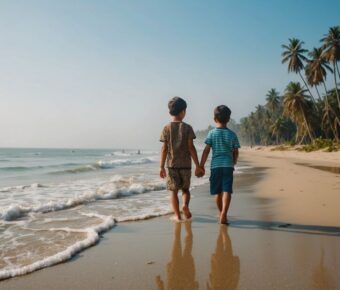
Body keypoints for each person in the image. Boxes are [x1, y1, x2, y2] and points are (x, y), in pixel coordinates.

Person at [159, 97, 203, 221]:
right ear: (183, 111)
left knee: (173, 191)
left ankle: (178, 215)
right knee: (185, 190)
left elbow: (164, 149)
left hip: (172, 166)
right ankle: (185, 205)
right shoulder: (187, 128)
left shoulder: (166, 128)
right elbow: (191, 148)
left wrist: (161, 166)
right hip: (186, 165)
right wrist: (198, 165)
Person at [200, 105, 240, 224]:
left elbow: (206, 150)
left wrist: (201, 165)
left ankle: (220, 212)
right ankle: (224, 214)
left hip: (215, 166)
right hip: (228, 165)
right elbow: (236, 151)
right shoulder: (232, 134)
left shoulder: (211, 133)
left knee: (218, 192)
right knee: (227, 190)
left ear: (214, 119)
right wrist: (234, 161)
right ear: (228, 119)